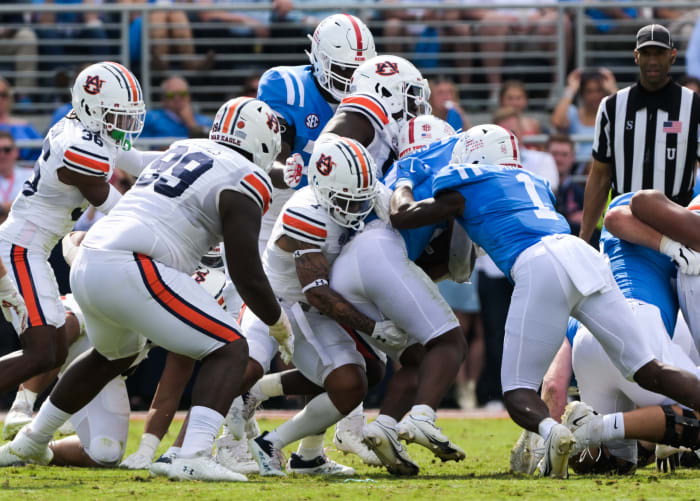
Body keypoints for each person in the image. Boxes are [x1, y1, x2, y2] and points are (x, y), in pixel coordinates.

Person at [0, 96, 293, 482]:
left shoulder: (184, 148)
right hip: (133, 263)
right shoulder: (246, 177)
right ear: (264, 142)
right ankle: (191, 454)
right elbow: (246, 271)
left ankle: (32, 439)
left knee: (114, 355)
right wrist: (278, 325)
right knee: (231, 346)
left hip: (93, 257)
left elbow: (137, 162)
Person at [389, 123, 700, 479]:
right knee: (648, 369)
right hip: (582, 256)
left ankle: (554, 433)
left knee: (517, 391)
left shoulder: (466, 184)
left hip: (538, 263)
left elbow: (404, 216)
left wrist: (404, 180)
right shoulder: (532, 183)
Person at [212, 13, 379, 468]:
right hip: (277, 221)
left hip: (334, 222)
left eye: (357, 72)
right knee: (258, 335)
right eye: (343, 71)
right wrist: (283, 167)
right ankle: (226, 439)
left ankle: (309, 450)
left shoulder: (370, 99)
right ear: (320, 59)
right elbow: (261, 154)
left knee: (341, 338)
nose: (350, 82)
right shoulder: (284, 87)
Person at [244, 137, 395, 477]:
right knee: (348, 383)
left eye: (362, 200)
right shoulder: (306, 212)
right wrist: (375, 328)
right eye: (346, 201)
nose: (356, 210)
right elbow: (318, 295)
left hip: (324, 300)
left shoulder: (369, 194)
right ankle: (271, 442)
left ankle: (307, 455)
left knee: (371, 371)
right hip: (292, 303)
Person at [0, 62, 150, 398]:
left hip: (34, 247)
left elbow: (138, 164)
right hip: (22, 248)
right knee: (41, 353)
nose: (124, 123)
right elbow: (120, 209)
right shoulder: (80, 147)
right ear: (91, 109)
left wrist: (188, 157)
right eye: (116, 114)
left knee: (51, 352)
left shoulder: (88, 128)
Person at [579, 24, 700, 243]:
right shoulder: (612, 106)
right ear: (636, 56)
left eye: (659, 53)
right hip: (625, 227)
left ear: (672, 56)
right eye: (646, 53)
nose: (652, 60)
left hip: (677, 224)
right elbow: (599, 175)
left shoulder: (694, 106)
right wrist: (584, 238)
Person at [551, 68, 617, 162]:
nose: (595, 95)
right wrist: (571, 89)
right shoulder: (573, 112)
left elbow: (626, 115)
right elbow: (558, 122)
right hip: (577, 171)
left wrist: (612, 89)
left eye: (599, 90)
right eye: (589, 91)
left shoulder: (612, 114)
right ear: (582, 94)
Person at [140, 76, 213, 139]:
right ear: (163, 98)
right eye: (171, 95)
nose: (177, 98)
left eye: (182, 94)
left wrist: (192, 124)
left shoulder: (205, 122)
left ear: (189, 97)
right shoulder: (150, 118)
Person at [550, 134, 585, 235]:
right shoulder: (535, 189)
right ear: (545, 155)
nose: (559, 159)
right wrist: (570, 218)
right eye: (554, 154)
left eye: (564, 154)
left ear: (572, 158)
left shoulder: (581, 193)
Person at [0, 77, 41, 161]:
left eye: (3, 95)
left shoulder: (24, 126)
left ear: (9, 98)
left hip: (25, 171)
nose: (0, 99)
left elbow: (42, 151)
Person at [0, 131, 32, 222]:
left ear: (16, 152)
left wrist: (2, 209)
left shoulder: (31, 175)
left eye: (7, 150)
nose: (2, 155)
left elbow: (35, 205)